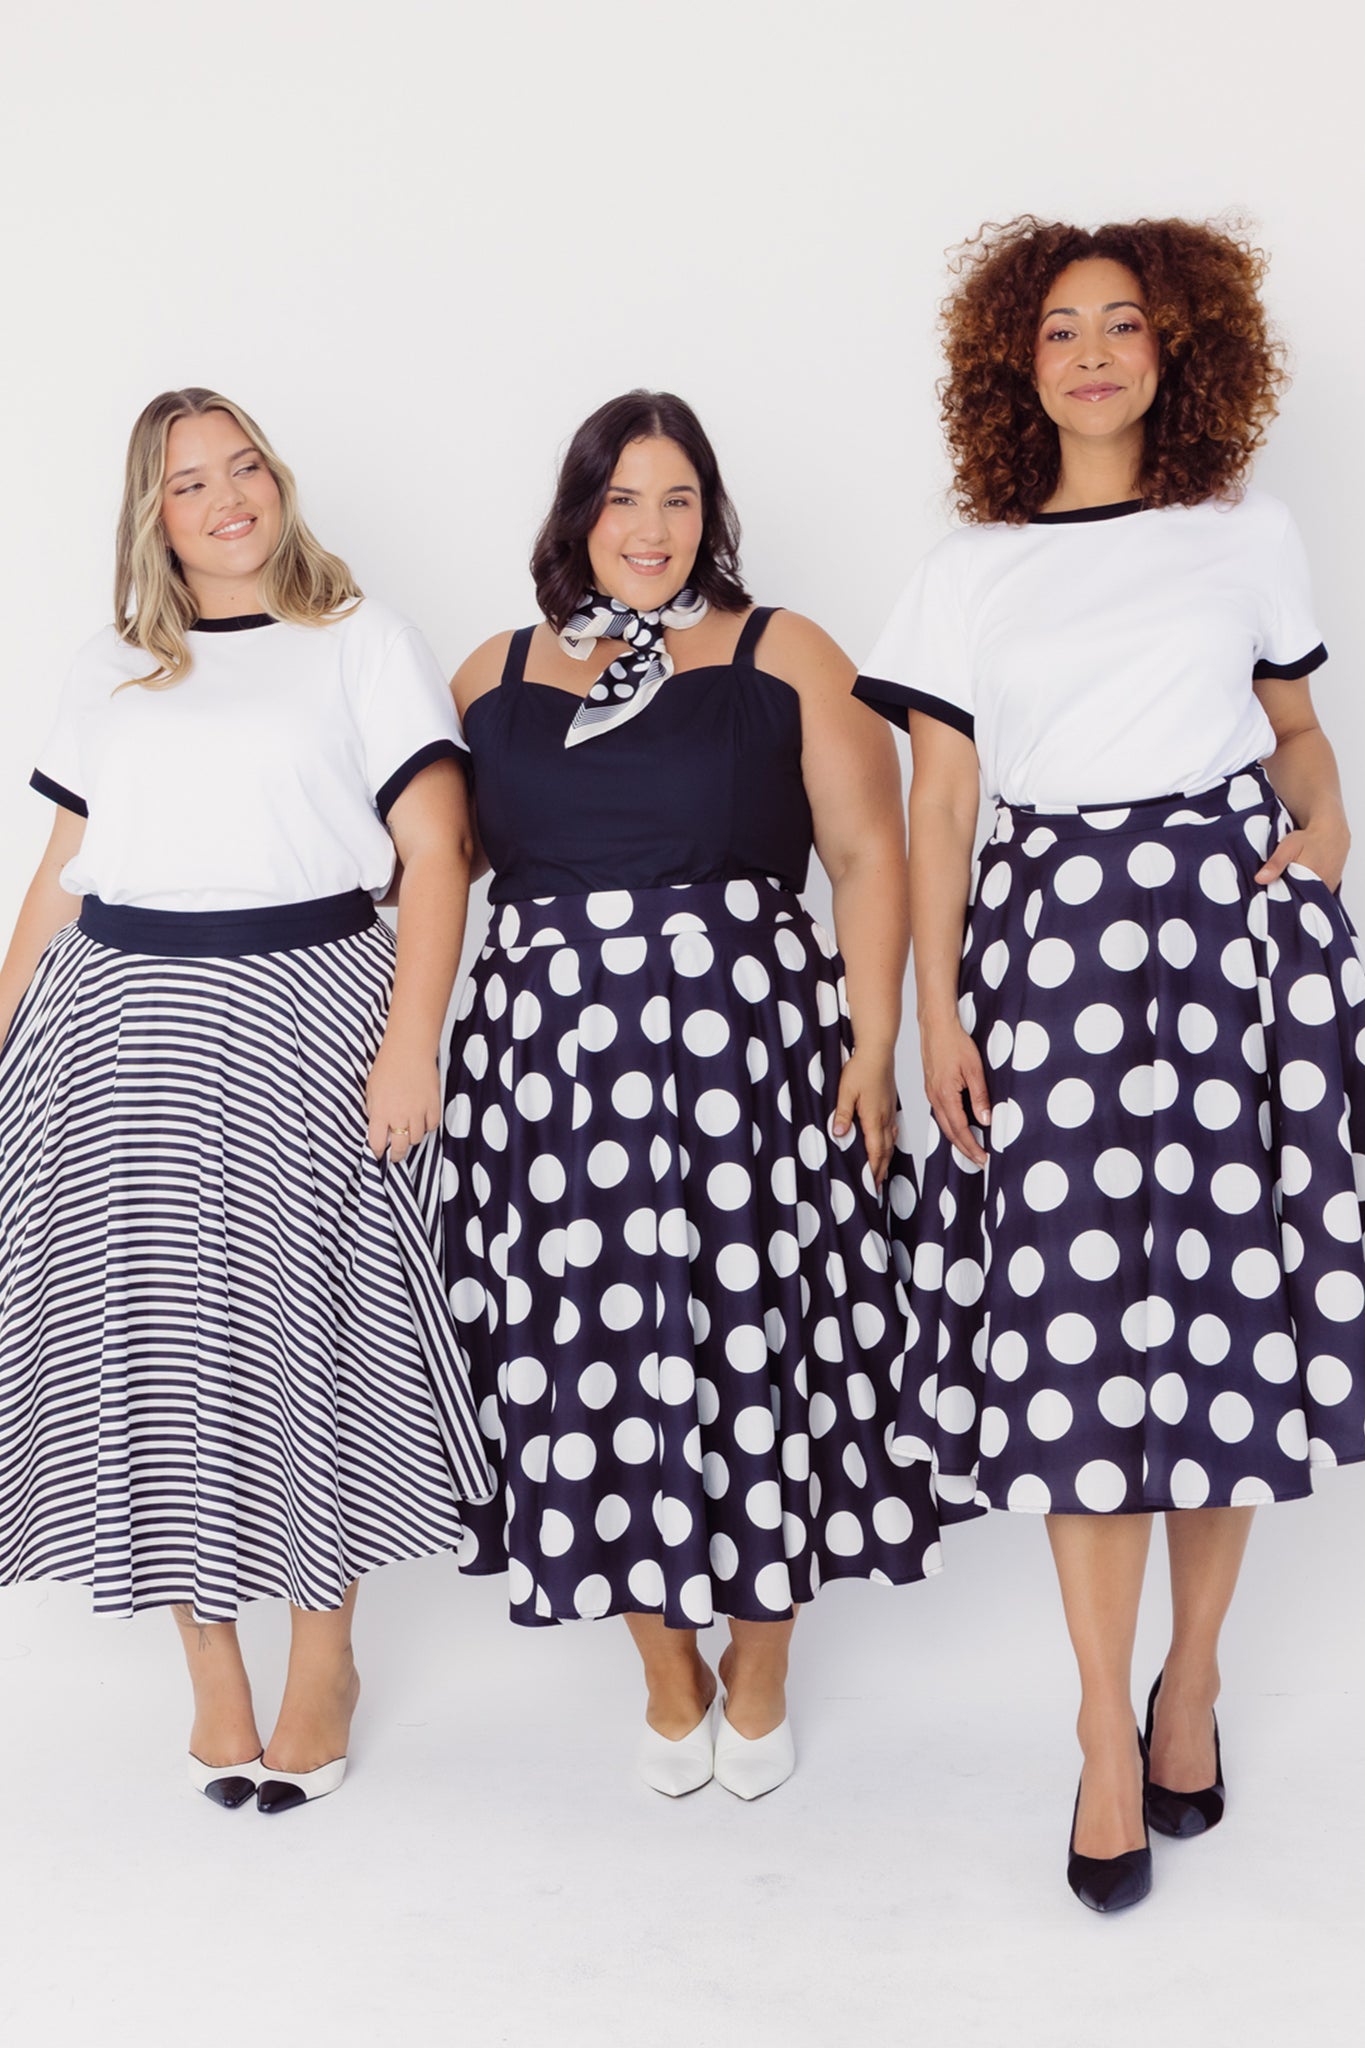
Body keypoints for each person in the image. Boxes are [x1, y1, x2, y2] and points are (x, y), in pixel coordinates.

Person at [855, 218, 1365, 1911]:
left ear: (1175, 352)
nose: (1088, 352)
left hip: (1228, 949)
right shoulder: (966, 565)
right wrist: (939, 1014)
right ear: (1017, 362)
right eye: (1058, 328)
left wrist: (1329, 821)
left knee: (1219, 1340)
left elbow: (1292, 733)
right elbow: (941, 807)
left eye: (1121, 324)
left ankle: (1193, 1681)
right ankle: (1095, 1727)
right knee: (1076, 1351)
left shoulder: (1246, 531)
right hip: (1051, 951)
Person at [441, 389, 945, 1800]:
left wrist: (870, 1044)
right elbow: (437, 868)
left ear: (709, 515)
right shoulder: (489, 672)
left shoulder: (788, 652)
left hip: (752, 1059)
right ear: (576, 516)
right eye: (620, 500)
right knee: (590, 1356)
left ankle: (762, 1659)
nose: (648, 531)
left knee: (756, 1349)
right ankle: (665, 1666)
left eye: (675, 501)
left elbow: (865, 858)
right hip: (549, 1079)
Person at [0, 387, 491, 1814]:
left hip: (309, 1011)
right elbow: (63, 869)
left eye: (244, 468)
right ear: (150, 518)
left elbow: (439, 858)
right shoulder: (110, 667)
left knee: (305, 1336)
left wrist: (415, 1044)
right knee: (149, 1350)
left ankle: (322, 1658)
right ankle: (209, 1671)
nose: (225, 500)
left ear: (277, 482)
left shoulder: (360, 643)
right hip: (119, 1024)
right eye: (186, 483)